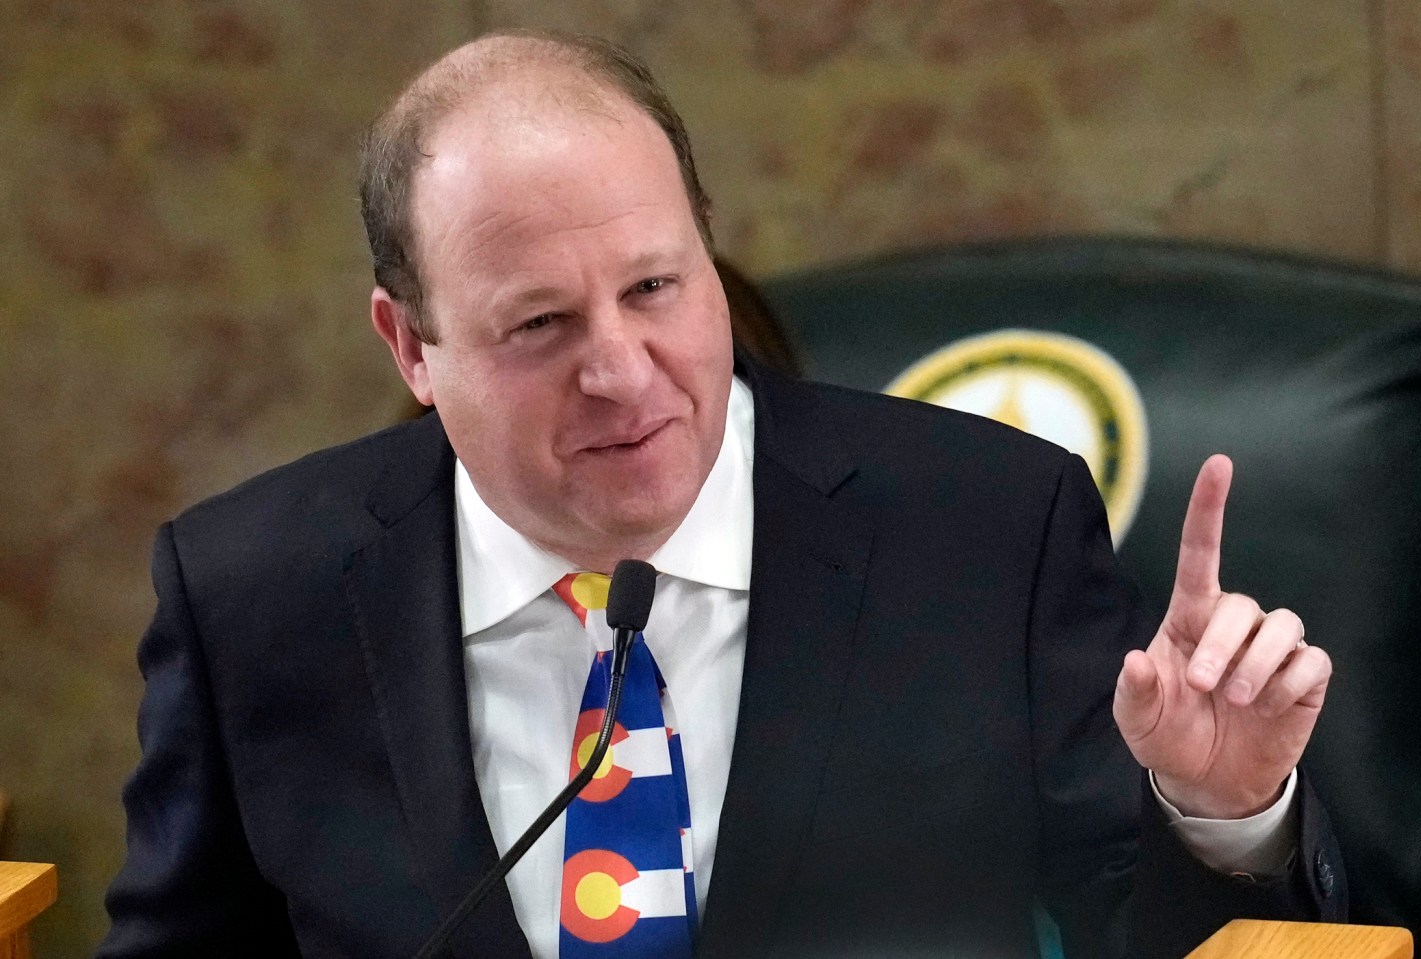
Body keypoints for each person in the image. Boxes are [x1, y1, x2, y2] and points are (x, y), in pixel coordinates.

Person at [98, 30, 1344, 959]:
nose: (620, 371)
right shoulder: (252, 594)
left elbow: (1153, 932)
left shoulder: (984, 533)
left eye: (654, 288)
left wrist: (1220, 812)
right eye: (539, 323)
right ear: (411, 346)